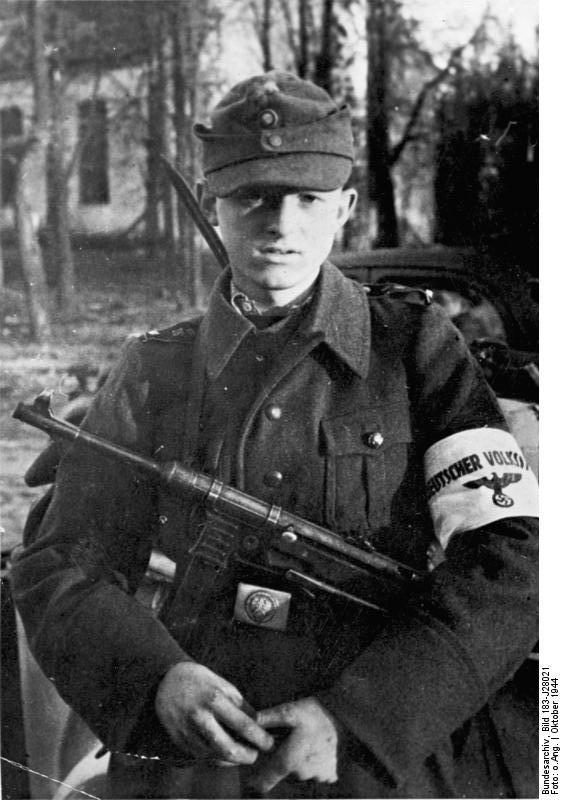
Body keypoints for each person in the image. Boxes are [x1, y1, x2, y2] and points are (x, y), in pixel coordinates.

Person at [12, 71, 539, 799]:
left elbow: (511, 556)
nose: (281, 224)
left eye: (308, 199)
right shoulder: (154, 368)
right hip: (202, 750)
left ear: (345, 209)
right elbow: (63, 559)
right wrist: (157, 678)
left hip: (387, 749)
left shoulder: (415, 349)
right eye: (253, 197)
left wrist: (358, 719)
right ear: (211, 204)